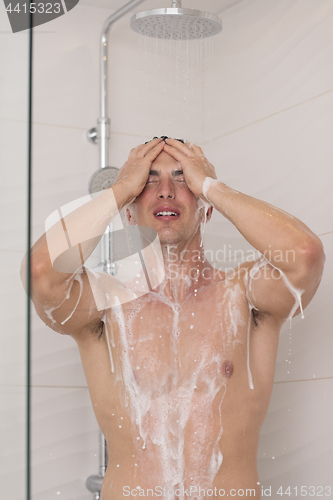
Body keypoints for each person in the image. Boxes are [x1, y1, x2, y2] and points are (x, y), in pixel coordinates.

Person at [22, 137, 325, 500]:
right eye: (149, 180)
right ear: (129, 213)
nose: (166, 191)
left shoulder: (246, 297)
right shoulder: (106, 306)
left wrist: (212, 187)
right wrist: (120, 189)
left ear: (207, 208)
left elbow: (304, 254)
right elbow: (42, 272)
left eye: (182, 178)